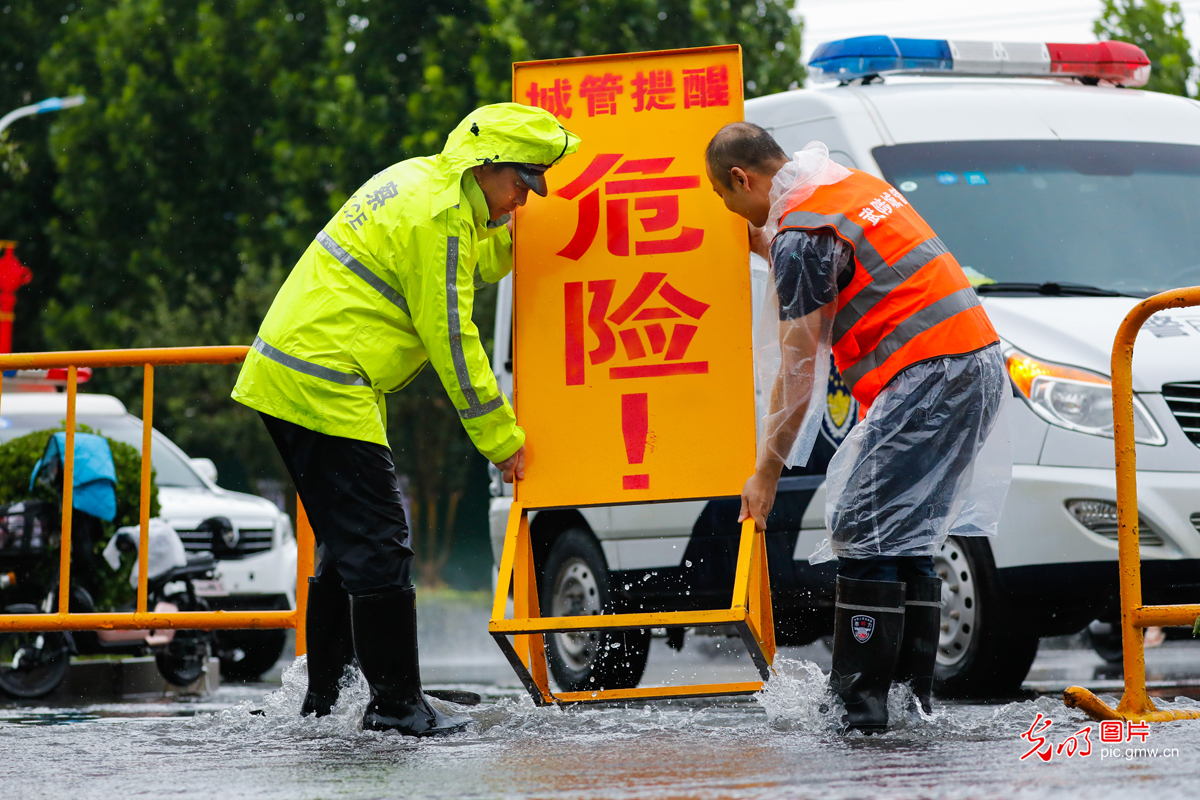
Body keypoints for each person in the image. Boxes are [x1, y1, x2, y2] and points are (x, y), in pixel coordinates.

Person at [232, 103, 581, 736]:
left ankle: (326, 702)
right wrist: (499, 437)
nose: (525, 201)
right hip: (323, 381)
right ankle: (395, 706)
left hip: (304, 373)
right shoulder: (440, 215)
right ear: (486, 165)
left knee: (348, 545)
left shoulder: (428, 182)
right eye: (521, 184)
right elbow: (451, 334)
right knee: (381, 541)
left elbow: (469, 261)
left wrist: (518, 239)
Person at [704, 123, 1009, 733]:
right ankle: (907, 704)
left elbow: (796, 373)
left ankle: (860, 710)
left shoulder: (803, 235)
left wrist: (765, 473)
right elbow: (842, 266)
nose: (733, 213)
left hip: (929, 372)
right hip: (975, 362)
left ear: (741, 178)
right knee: (907, 532)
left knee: (863, 523)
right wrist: (766, 245)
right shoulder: (840, 186)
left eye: (726, 199)